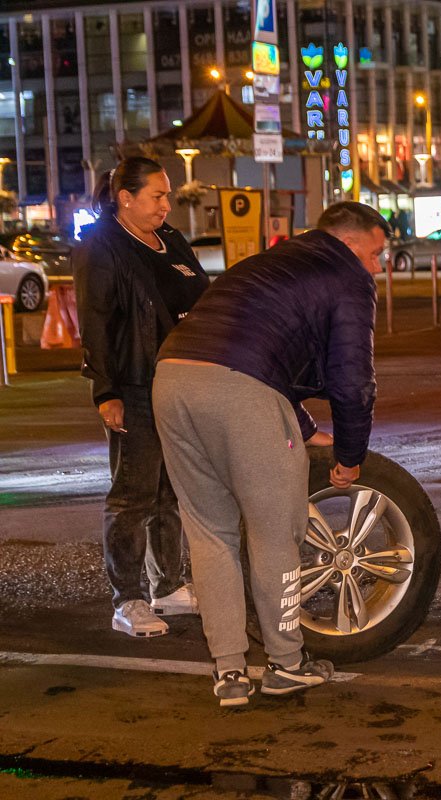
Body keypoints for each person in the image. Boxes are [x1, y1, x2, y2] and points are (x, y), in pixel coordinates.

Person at [152, 201, 386, 707]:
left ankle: (230, 673)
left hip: (172, 378)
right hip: (239, 391)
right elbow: (352, 381)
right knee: (274, 531)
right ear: (350, 245)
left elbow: (261, 342)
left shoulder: (273, 261)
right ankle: (286, 664)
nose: (377, 267)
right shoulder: (347, 275)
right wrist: (350, 453)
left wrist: (300, 427)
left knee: (210, 534)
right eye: (375, 254)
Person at [72, 156, 209, 638]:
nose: (166, 205)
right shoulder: (101, 246)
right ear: (125, 198)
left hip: (178, 384)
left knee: (170, 493)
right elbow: (95, 323)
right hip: (133, 385)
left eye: (168, 195)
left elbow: (199, 294)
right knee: (132, 495)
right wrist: (105, 391)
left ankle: (167, 586)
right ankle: (127, 599)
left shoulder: (170, 239)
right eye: (157, 196)